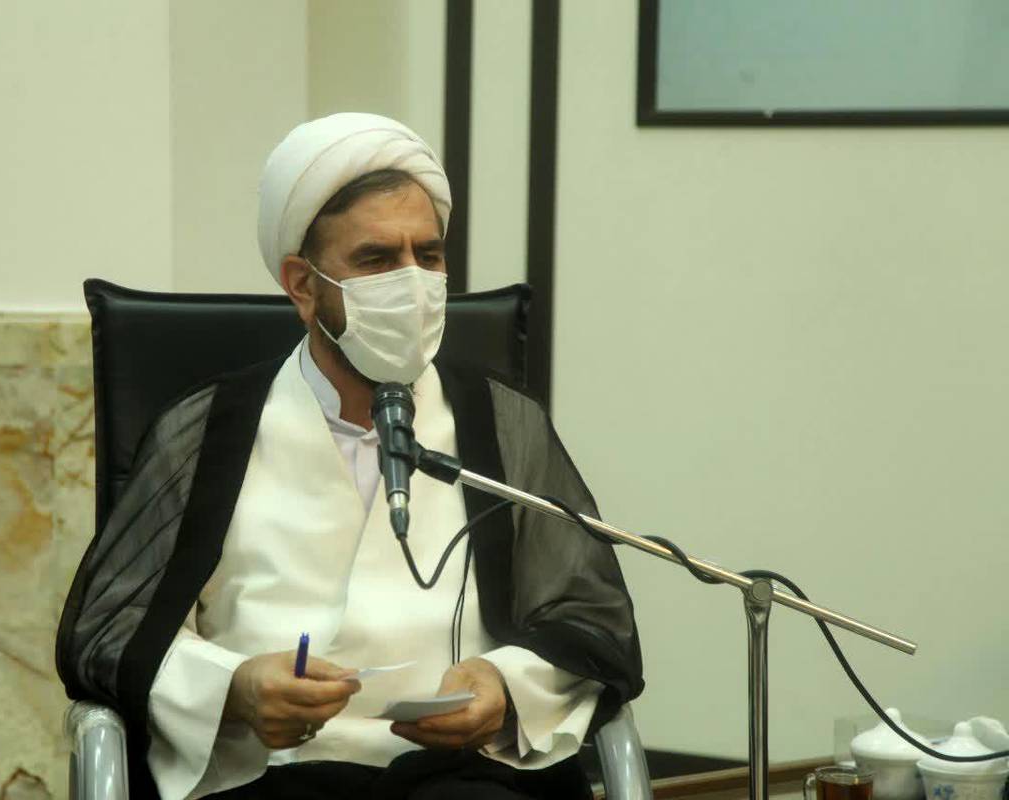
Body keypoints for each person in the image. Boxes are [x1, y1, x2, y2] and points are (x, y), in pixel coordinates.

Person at [55, 113, 644, 800]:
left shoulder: (501, 423)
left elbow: (591, 620)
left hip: (465, 773)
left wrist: (505, 685)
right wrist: (235, 688)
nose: (413, 281)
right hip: (274, 776)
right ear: (302, 286)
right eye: (376, 260)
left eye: (429, 255)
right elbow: (108, 630)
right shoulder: (208, 430)